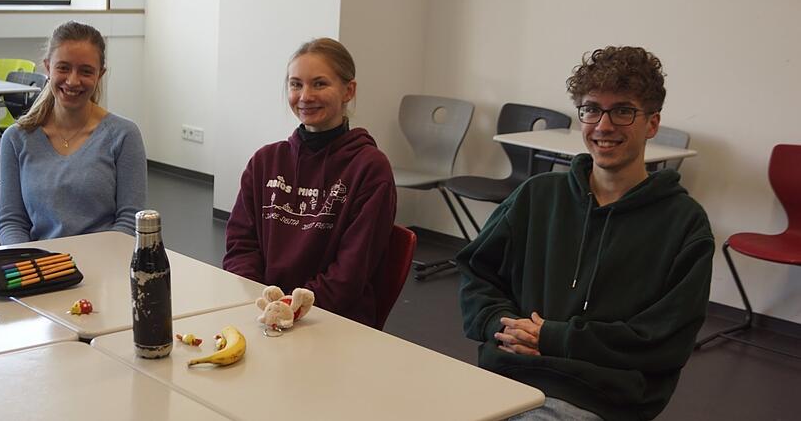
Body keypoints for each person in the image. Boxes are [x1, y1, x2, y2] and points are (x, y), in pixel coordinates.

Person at [456, 46, 714, 420]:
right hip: (506, 378)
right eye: (592, 109)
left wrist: (554, 338)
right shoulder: (537, 195)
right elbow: (477, 272)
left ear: (652, 124)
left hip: (595, 398)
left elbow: (665, 341)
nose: (603, 125)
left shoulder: (684, 224)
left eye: (623, 110)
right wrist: (500, 325)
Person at [223, 37, 396, 327]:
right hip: (265, 313)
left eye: (319, 84)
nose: (305, 96)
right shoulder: (265, 162)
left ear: (348, 91)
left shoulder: (369, 169)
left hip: (331, 320)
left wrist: (292, 309)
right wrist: (266, 302)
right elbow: (240, 246)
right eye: (295, 84)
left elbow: (349, 275)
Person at [0, 21, 147, 244]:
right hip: (40, 269)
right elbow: (12, 222)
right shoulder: (16, 138)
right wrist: (27, 263)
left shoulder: (124, 135)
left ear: (100, 74)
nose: (73, 80)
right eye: (63, 68)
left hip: (105, 266)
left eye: (86, 71)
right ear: (48, 67)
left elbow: (129, 221)